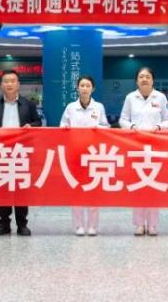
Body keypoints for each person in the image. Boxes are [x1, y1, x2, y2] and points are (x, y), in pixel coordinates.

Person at [0, 69, 41, 236]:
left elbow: (38, 122)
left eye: (12, 81)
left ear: (18, 84)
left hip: (21, 152)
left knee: (21, 189)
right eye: (6, 81)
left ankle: (22, 224)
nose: (9, 84)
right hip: (0, 152)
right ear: (1, 85)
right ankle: (4, 224)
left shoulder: (28, 104)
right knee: (2, 189)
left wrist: (31, 126)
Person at [119, 66, 168, 236]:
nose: (144, 79)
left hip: (156, 147)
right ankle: (139, 224)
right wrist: (132, 126)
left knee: (153, 186)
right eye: (141, 76)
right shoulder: (130, 97)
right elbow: (122, 120)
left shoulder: (160, 97)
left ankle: (153, 225)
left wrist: (158, 126)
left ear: (152, 80)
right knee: (138, 185)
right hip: (135, 147)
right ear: (136, 81)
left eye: (147, 76)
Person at [59, 75, 109, 236]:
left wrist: (99, 128)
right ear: (77, 88)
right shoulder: (71, 107)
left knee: (93, 190)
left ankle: (93, 226)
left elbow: (106, 126)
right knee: (77, 190)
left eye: (88, 85)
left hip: (94, 154)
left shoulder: (99, 107)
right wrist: (64, 127)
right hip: (75, 154)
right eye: (82, 85)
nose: (85, 88)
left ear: (93, 89)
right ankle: (78, 226)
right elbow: (62, 125)